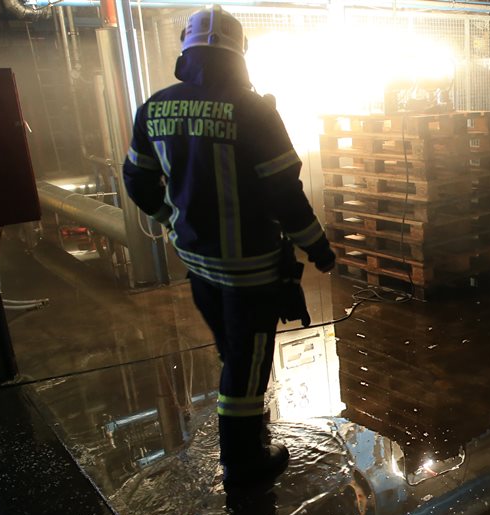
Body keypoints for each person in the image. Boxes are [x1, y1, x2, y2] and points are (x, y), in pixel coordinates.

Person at [122, 5, 335, 489]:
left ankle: (246, 423)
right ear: (239, 54)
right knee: (248, 360)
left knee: (231, 348)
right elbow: (284, 194)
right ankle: (244, 460)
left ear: (187, 52)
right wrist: (318, 248)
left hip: (198, 264)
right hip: (250, 269)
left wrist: (171, 220)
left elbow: (137, 179)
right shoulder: (253, 110)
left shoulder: (155, 107)